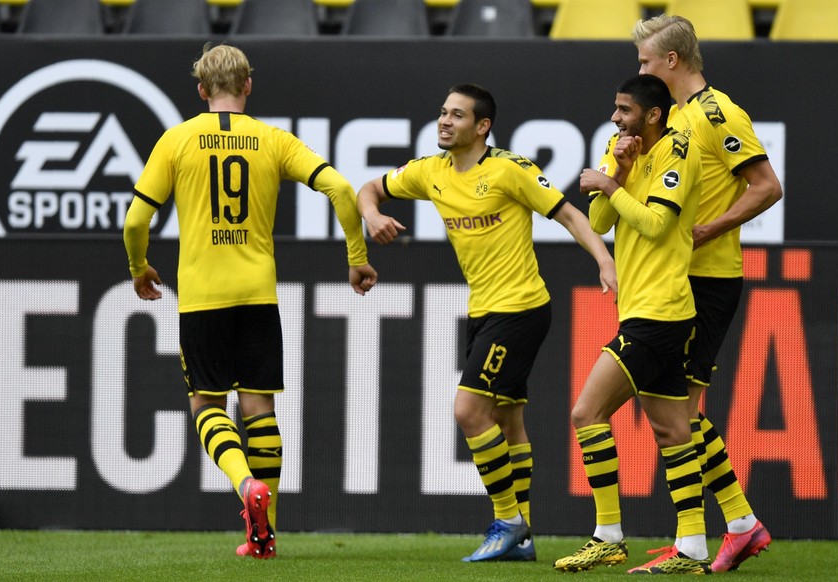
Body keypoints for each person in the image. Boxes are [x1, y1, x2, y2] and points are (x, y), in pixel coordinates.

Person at [123, 43, 377, 559]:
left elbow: (134, 220)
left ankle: (244, 487)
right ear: (248, 86)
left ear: (201, 90)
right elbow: (341, 189)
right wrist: (356, 256)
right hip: (258, 295)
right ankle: (264, 537)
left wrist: (139, 267)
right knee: (259, 410)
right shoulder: (272, 139)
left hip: (202, 297)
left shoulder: (177, 140)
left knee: (206, 406)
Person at [357, 83, 617, 562]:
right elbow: (369, 188)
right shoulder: (429, 171)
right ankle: (526, 537)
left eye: (457, 115)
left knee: (468, 411)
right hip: (485, 310)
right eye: (442, 112)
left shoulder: (509, 170)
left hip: (519, 309)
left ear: (482, 127)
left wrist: (604, 259)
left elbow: (569, 216)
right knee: (507, 419)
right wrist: (371, 214)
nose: (444, 121)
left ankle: (508, 521)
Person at [631, 15, 783, 573]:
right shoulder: (673, 118)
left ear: (672, 61)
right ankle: (739, 524)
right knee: (673, 409)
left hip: (709, 279)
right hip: (678, 279)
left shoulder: (719, 113)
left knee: (676, 409)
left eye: (646, 62)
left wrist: (705, 230)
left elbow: (767, 186)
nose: (641, 71)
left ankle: (708, 536)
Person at [553, 74, 708, 575]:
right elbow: (599, 223)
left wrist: (611, 185)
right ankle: (693, 548)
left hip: (660, 311)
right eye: (615, 108)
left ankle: (608, 535)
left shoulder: (679, 153)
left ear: (653, 114)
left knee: (585, 412)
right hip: (645, 307)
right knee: (671, 429)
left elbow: (658, 224)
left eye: (624, 109)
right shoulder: (618, 147)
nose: (616, 117)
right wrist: (617, 171)